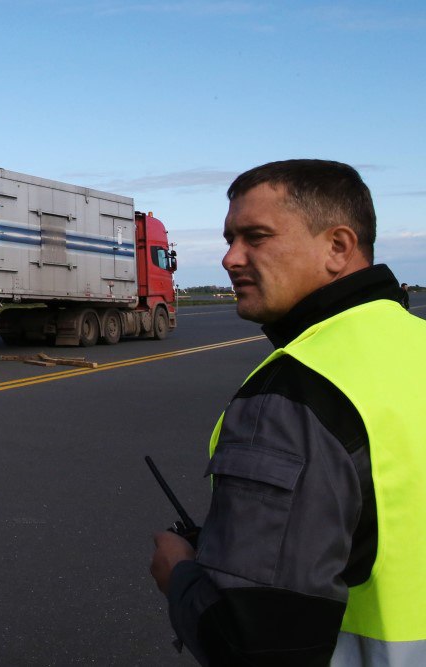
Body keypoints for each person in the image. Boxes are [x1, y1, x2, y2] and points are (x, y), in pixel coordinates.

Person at [149, 160, 426, 665]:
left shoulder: (299, 392)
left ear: (338, 247)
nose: (230, 258)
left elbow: (256, 643)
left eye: (255, 236)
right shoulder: (416, 343)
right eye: (230, 238)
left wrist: (181, 575)